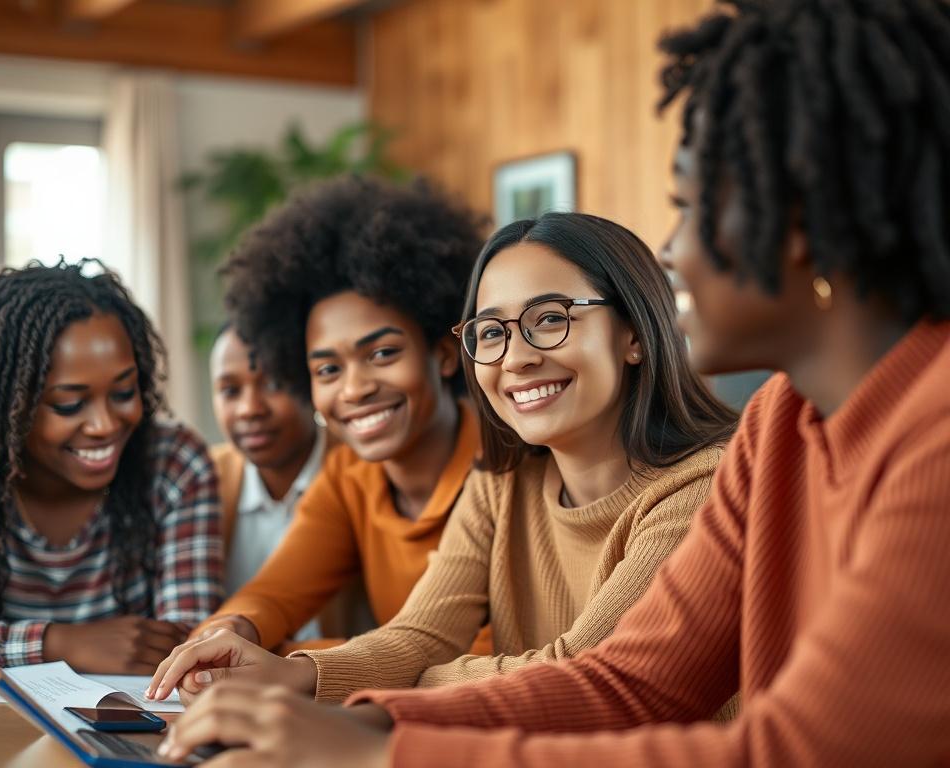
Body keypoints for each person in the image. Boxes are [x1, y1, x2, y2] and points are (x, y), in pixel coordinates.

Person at [155, 0, 950, 765]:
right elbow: (631, 681)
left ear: (796, 220)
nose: (670, 251)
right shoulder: (777, 422)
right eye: (492, 331)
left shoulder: (931, 437)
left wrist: (378, 742)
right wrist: (364, 719)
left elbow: (794, 750)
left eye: (689, 208)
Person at [148, 212, 738, 705]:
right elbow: (424, 634)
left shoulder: (704, 489)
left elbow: (582, 674)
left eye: (550, 319)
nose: (517, 358)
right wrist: (294, 672)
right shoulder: (504, 481)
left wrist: (403, 684)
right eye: (491, 331)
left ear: (634, 333)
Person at [162, 176, 491, 665]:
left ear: (444, 353)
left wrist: (288, 659)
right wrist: (228, 631)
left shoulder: (502, 470)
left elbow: (475, 662)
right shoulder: (350, 479)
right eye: (328, 369)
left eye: (382, 353)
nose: (354, 389)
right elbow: (274, 594)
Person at [0, 259, 222, 680]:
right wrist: (57, 644)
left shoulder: (174, 465)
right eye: (69, 404)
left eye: (123, 391)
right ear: (8, 408)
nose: (104, 425)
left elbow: (193, 648)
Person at [209, 324, 327, 643]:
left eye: (274, 383)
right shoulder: (203, 481)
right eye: (230, 391)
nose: (250, 409)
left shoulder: (361, 472)